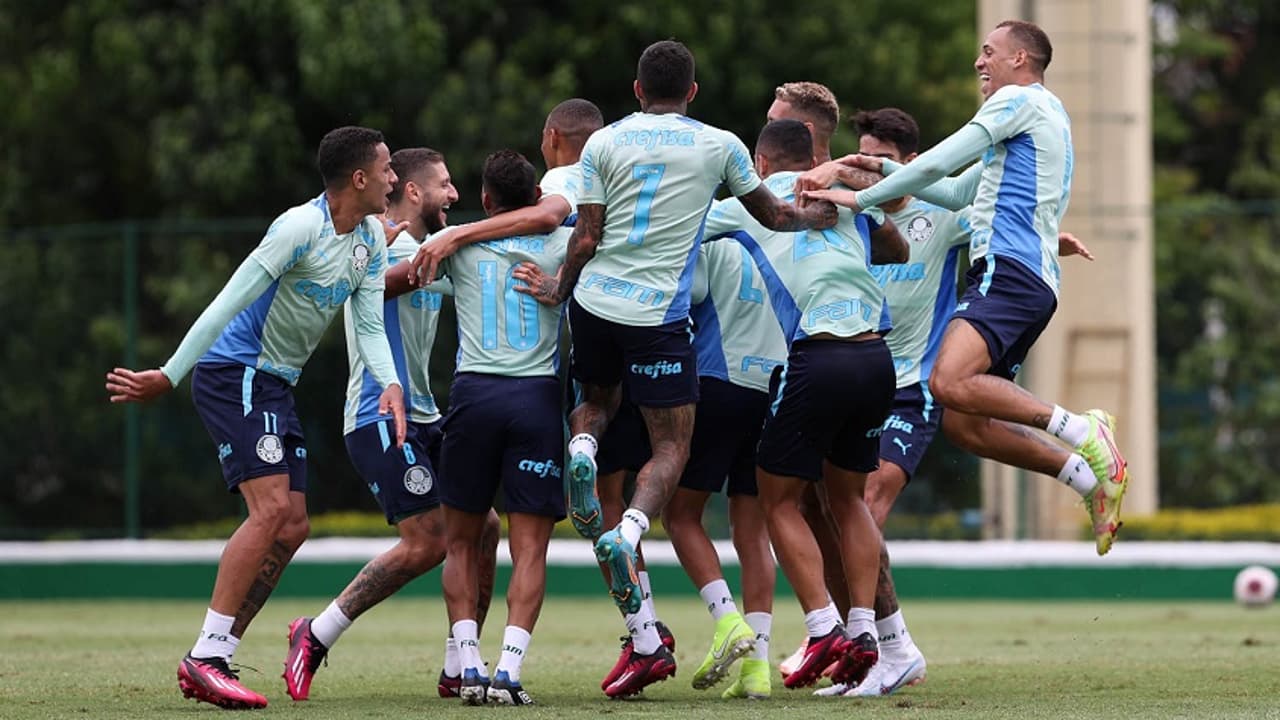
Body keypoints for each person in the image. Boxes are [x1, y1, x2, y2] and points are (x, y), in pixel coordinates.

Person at [515, 40, 836, 699]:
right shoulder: (719, 145)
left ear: (636, 90)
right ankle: (630, 530)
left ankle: (581, 444)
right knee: (672, 445)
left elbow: (586, 235)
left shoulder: (602, 145)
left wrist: (559, 287)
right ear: (692, 92)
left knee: (596, 403)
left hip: (596, 302)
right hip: (659, 317)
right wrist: (813, 217)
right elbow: (773, 214)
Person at [802, 20, 1130, 558]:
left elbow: (938, 161)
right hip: (1030, 279)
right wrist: (872, 168)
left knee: (948, 381)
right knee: (966, 425)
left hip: (1008, 270)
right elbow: (955, 191)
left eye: (989, 53)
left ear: (1020, 59)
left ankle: (1085, 432)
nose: (980, 63)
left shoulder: (1015, 103)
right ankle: (1088, 480)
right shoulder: (1049, 117)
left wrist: (861, 199)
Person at [105, 126, 406, 710]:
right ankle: (206, 656)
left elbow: (368, 325)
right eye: (388, 169)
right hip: (234, 374)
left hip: (274, 385)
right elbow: (227, 301)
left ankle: (216, 653)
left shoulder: (369, 236)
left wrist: (390, 384)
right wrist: (169, 373)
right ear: (360, 178)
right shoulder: (298, 227)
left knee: (293, 526)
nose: (395, 178)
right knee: (269, 511)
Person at [281, 148, 500, 702]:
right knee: (428, 541)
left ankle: (459, 662)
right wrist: (454, 244)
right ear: (415, 192)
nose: (455, 195)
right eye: (445, 185)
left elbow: (471, 277)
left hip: (427, 416)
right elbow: (384, 282)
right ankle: (318, 631)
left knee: (486, 527)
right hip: (378, 415)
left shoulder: (434, 251)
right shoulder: (377, 248)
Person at [703, 118, 908, 692]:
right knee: (847, 499)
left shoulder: (753, 203)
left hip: (820, 357)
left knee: (777, 497)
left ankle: (822, 627)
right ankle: (864, 628)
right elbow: (899, 245)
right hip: (877, 358)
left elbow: (674, 226)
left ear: (761, 165)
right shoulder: (844, 200)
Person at [433, 150, 574, 706]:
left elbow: (396, 275)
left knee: (461, 542)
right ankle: (509, 673)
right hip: (535, 401)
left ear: (486, 200)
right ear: (536, 196)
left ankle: (467, 665)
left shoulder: (459, 242)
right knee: (530, 548)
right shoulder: (562, 242)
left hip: (473, 397)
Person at [662, 235, 788, 699]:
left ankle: (727, 620)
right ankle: (757, 671)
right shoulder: (790, 235)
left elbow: (682, 298)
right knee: (753, 530)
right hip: (775, 387)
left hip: (720, 380)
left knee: (679, 514)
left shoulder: (716, 235)